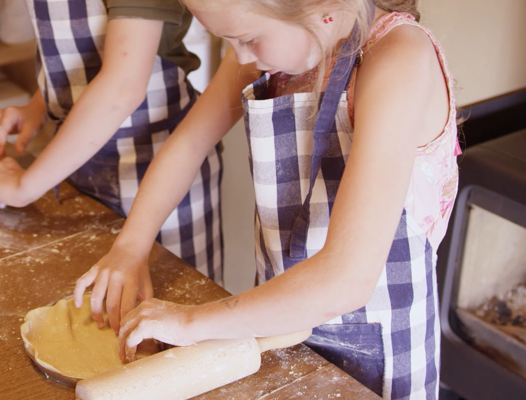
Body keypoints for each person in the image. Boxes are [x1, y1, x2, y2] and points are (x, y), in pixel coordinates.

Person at [74, 0, 460, 398]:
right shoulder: (268, 48)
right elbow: (188, 145)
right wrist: (131, 245)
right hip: (271, 322)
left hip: (376, 350)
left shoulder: (399, 60)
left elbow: (347, 280)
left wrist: (189, 322)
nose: (240, 56)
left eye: (248, 39)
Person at [0, 0, 224, 293]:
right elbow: (82, 51)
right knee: (88, 302)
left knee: (171, 305)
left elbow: (123, 87)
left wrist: (23, 188)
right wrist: (39, 104)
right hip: (78, 161)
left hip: (158, 167)